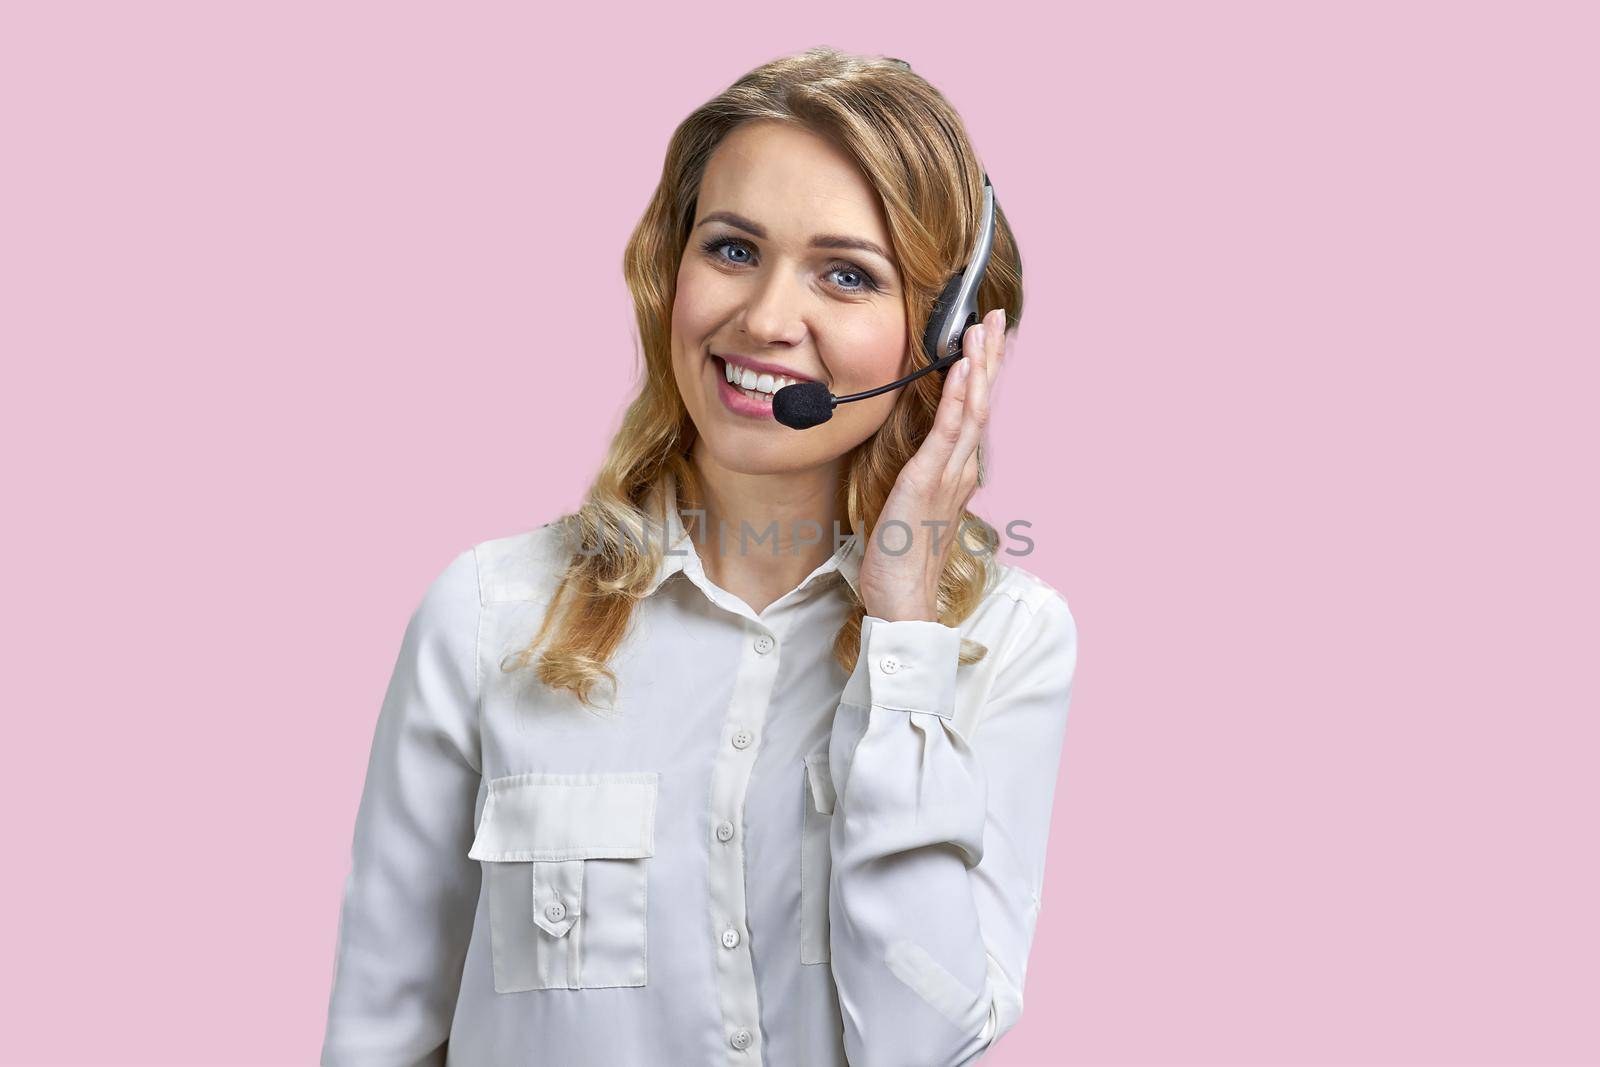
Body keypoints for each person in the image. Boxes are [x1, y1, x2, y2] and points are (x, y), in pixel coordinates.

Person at [321, 46, 1078, 1067]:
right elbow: (378, 1030)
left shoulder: (1006, 637)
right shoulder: (486, 613)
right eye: (731, 249)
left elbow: (921, 1042)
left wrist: (902, 637)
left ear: (943, 338)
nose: (764, 320)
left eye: (846, 274)